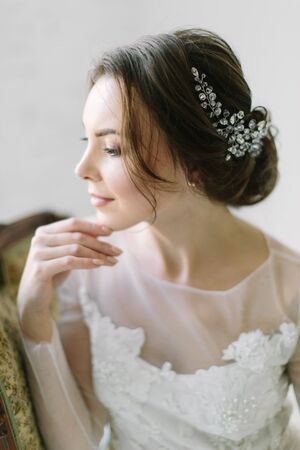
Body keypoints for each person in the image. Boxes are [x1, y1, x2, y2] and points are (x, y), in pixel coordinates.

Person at [17, 27, 300, 450]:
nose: (82, 168)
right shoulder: (87, 273)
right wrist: (33, 317)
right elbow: (76, 442)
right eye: (86, 140)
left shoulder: (290, 289)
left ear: (195, 165)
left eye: (112, 149)